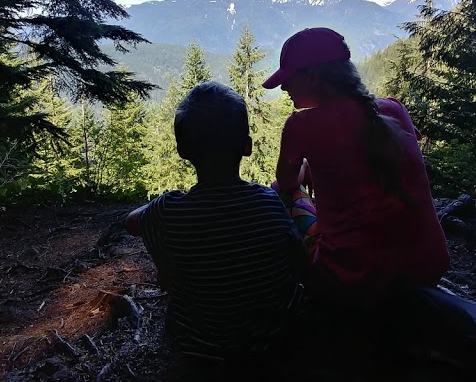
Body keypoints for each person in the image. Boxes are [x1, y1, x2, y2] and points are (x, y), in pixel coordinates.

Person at [124, 81, 307, 368]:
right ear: (246, 146)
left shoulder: (169, 210)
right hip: (276, 344)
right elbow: (298, 264)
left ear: (183, 151)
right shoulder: (269, 201)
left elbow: (131, 222)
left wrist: (164, 201)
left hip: (202, 350)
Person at [263, 27, 450, 304]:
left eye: (288, 79)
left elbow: (288, 182)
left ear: (313, 77)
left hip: (350, 281)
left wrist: (307, 168)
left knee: (279, 190)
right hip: (427, 268)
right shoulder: (393, 109)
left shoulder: (300, 127)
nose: (284, 87)